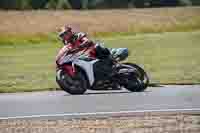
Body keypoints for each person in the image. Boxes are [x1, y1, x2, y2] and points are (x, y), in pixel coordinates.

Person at [56, 25, 129, 65]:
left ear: (70, 32)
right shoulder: (67, 45)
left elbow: (87, 41)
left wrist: (80, 47)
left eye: (65, 33)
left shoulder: (79, 35)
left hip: (93, 51)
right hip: (84, 57)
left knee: (97, 47)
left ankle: (112, 61)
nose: (64, 36)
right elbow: (66, 52)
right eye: (62, 35)